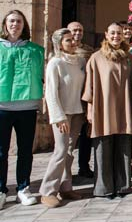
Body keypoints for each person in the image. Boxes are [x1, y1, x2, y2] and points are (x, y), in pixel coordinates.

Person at [82, 22, 132, 199]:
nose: (116, 36)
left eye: (119, 33)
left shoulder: (129, 58)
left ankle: (122, 186)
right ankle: (103, 188)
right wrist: (90, 111)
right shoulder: (96, 58)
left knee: (123, 146)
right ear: (106, 34)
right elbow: (89, 86)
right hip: (103, 109)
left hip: (124, 108)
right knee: (103, 149)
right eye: (112, 33)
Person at [0, 10, 44, 208]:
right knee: (1, 151)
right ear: (4, 24)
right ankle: (1, 189)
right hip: (2, 107)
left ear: (23, 25)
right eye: (11, 21)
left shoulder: (36, 50)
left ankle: (23, 188)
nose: (14, 25)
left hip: (27, 107)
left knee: (25, 151)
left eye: (18, 21)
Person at [39, 28, 86, 207]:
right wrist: (59, 117)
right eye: (68, 40)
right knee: (60, 151)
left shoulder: (79, 61)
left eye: (73, 39)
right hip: (62, 114)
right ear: (59, 44)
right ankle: (48, 191)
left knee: (69, 151)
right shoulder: (55, 63)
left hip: (77, 112)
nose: (73, 42)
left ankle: (66, 187)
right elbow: (50, 92)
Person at [68, 21, 96, 179]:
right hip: (69, 97)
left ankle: (83, 166)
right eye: (74, 30)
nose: (77, 33)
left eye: (80, 30)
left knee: (86, 135)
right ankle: (66, 171)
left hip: (85, 98)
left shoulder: (88, 51)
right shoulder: (61, 50)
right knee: (69, 139)